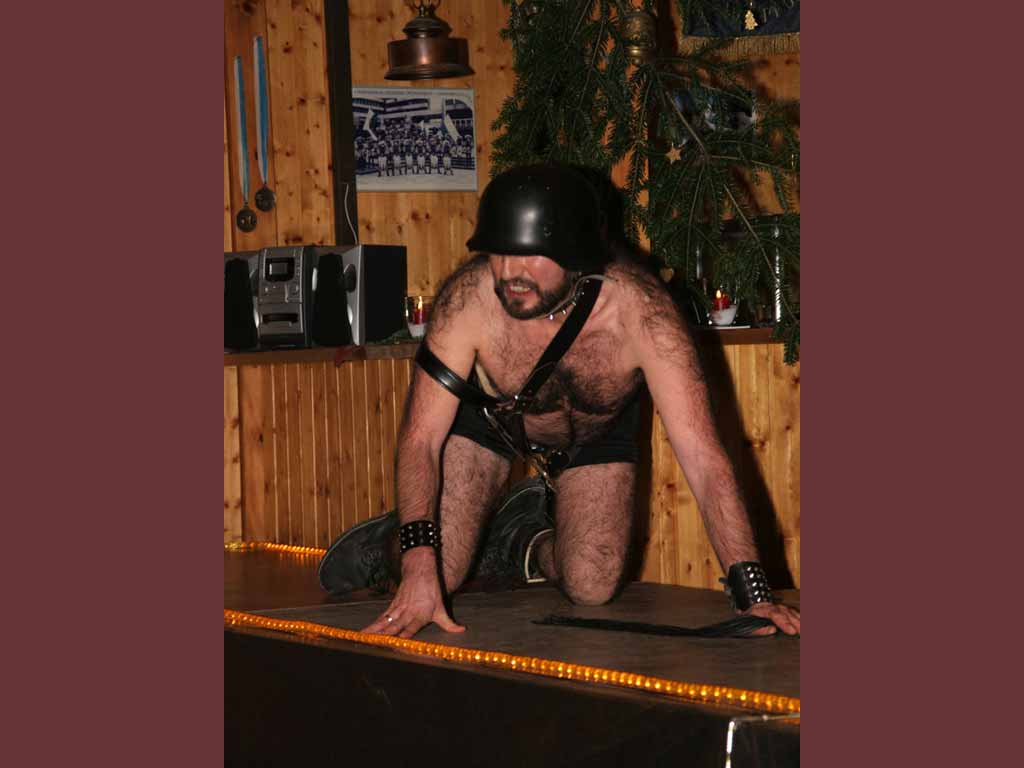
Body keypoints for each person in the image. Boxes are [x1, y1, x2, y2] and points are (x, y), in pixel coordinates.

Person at [319, 164, 800, 639]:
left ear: (577, 255)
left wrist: (753, 594)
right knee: (441, 572)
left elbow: (704, 457)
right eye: (499, 253)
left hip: (596, 431)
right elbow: (421, 439)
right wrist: (419, 564)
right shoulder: (469, 302)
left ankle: (523, 540)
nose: (511, 273)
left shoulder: (643, 315)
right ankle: (388, 540)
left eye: (532, 256)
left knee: (592, 585)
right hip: (488, 423)